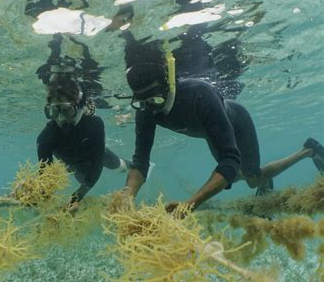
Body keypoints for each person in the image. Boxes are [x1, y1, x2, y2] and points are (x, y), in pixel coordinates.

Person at [122, 61, 324, 212]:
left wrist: (190, 205)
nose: (151, 107)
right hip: (210, 134)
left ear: (169, 85)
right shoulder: (147, 109)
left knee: (250, 177)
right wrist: (125, 202)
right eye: (142, 101)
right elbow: (140, 163)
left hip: (238, 125)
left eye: (155, 99)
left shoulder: (199, 94)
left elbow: (229, 161)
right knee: (235, 175)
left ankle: (308, 151)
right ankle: (264, 180)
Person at [37, 73, 132, 212]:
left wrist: (76, 198)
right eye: (54, 111)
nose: (60, 118)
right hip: (74, 166)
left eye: (66, 110)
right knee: (82, 178)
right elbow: (45, 176)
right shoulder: (45, 137)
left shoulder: (94, 124)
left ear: (79, 106)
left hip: (95, 156)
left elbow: (97, 165)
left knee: (117, 165)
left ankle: (133, 166)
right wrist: (31, 193)